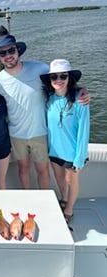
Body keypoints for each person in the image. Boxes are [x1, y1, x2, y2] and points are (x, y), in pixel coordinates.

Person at [0, 32, 90, 190]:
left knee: (43, 171)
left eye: (11, 51)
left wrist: (80, 90)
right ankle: (29, 200)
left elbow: (61, 78)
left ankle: (45, 201)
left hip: (41, 132)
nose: (8, 55)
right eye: (3, 53)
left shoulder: (40, 68)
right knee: (23, 169)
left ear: (18, 51)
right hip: (16, 134)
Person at [40, 59, 90, 223]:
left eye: (63, 76)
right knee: (59, 178)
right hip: (54, 150)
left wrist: (79, 158)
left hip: (72, 152)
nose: (58, 80)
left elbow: (84, 131)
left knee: (71, 180)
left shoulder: (80, 101)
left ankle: (69, 209)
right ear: (50, 80)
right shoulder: (49, 98)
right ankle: (63, 199)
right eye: (54, 77)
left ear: (70, 78)